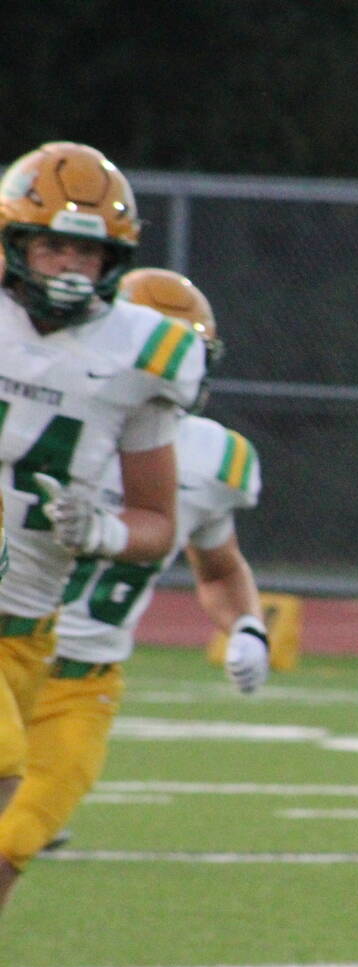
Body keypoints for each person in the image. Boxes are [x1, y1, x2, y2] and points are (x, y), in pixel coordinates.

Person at [0, 270, 265, 908]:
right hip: (15, 633)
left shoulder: (214, 460)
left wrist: (247, 625)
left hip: (82, 680)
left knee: (14, 845)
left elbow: (221, 565)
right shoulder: (46, 399)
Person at [0, 142, 204, 841]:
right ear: (18, 241)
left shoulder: (142, 356)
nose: (70, 266)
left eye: (86, 254)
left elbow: (157, 523)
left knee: (10, 815)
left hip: (27, 622)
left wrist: (101, 532)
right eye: (55, 246)